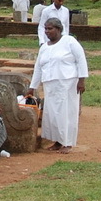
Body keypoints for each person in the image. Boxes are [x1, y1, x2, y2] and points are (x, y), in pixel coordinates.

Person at [29, 16, 88, 153]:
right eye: (46, 29)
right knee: (52, 114)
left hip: (67, 82)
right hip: (50, 84)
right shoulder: (44, 47)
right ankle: (56, 141)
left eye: (50, 29)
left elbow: (81, 60)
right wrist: (32, 87)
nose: (47, 32)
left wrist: (82, 80)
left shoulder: (69, 42)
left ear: (59, 29)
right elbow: (38, 68)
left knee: (66, 113)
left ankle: (67, 143)